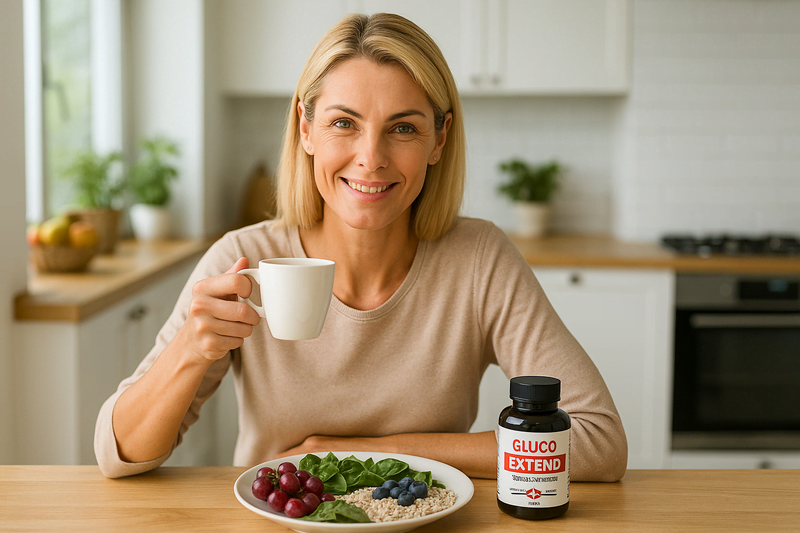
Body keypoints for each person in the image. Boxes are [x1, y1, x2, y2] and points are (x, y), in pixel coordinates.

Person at [95, 12, 627, 481]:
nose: (371, 158)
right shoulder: (243, 260)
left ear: (439, 139)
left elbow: (599, 442)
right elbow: (118, 455)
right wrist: (189, 350)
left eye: (403, 128)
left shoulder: (479, 260)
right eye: (343, 123)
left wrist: (372, 454)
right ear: (306, 129)